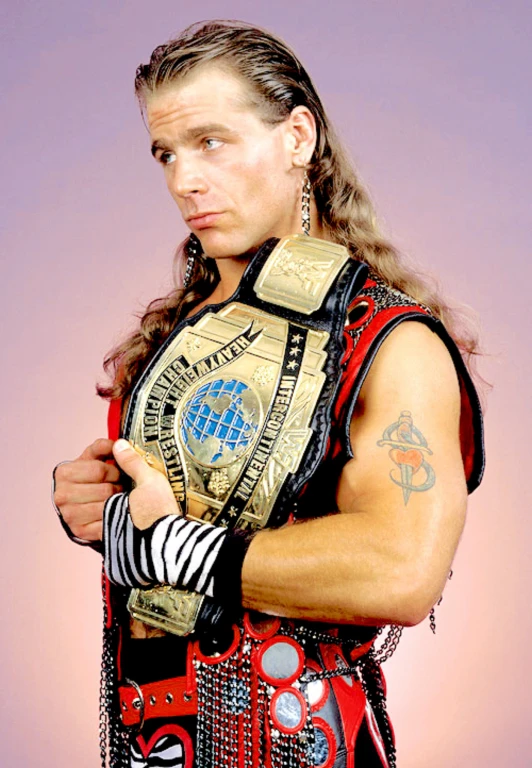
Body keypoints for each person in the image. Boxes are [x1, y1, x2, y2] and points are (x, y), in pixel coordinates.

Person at [52, 19, 485, 768]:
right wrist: (96, 506)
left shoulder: (389, 341)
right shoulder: (169, 342)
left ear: (297, 138)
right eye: (166, 153)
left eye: (211, 142)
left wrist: (171, 548)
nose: (183, 180)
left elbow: (403, 570)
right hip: (151, 740)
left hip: (299, 744)